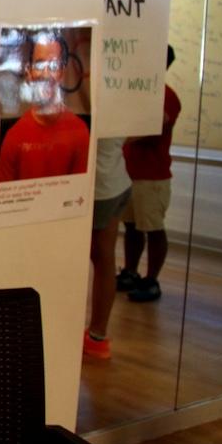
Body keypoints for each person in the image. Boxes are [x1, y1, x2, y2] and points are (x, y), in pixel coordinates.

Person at [117, 45, 181, 303]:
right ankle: (130, 272)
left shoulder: (168, 97)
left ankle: (152, 279)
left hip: (152, 177)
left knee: (153, 228)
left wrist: (122, 135)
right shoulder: (137, 93)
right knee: (131, 227)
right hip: (129, 173)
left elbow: (154, 129)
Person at [0, 30, 90, 182]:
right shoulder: (14, 137)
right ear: (29, 73)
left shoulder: (79, 132)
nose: (46, 74)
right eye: (40, 65)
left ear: (62, 74)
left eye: (54, 65)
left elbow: (80, 190)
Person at [85, 137, 131, 359]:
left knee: (98, 259)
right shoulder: (118, 114)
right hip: (117, 182)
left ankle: (95, 336)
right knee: (105, 260)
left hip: (100, 188)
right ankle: (97, 336)